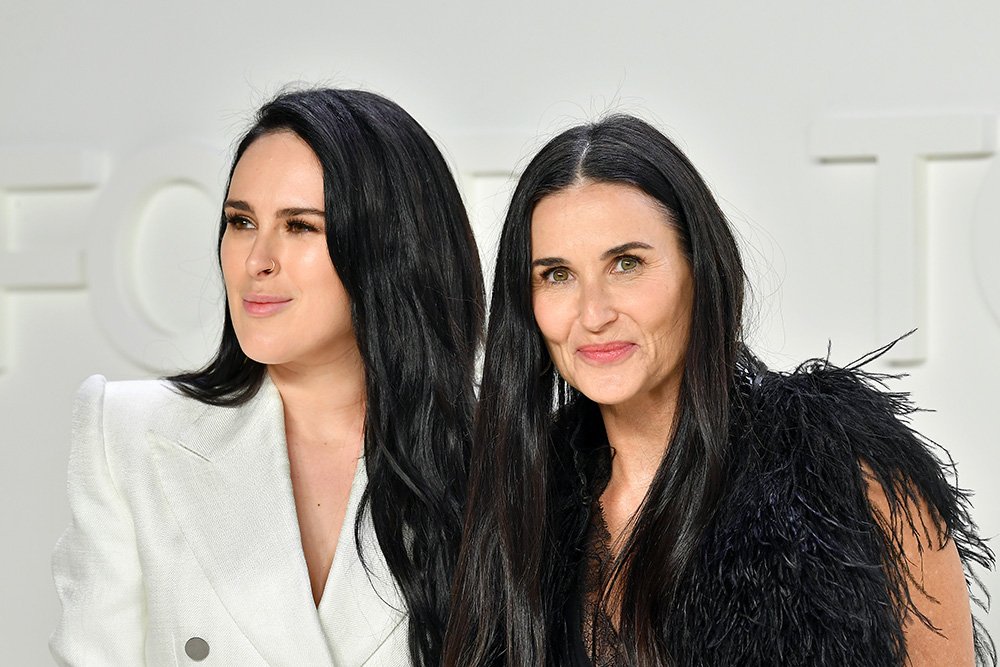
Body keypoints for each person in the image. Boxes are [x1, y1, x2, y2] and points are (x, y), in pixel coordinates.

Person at [444, 114, 994, 666]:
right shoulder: (519, 499)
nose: (593, 314)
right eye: (556, 275)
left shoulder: (842, 474)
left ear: (699, 270)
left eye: (627, 264)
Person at [51, 88, 484, 666]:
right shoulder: (127, 434)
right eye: (240, 221)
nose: (257, 259)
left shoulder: (496, 458)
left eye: (300, 226)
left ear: (390, 248)